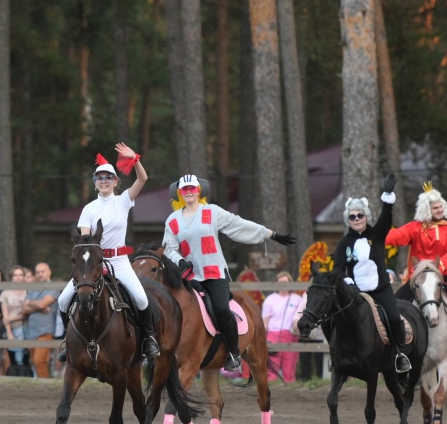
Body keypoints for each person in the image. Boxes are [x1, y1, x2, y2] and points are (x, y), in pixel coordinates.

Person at [164, 173, 296, 371]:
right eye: (185, 189)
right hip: (190, 277)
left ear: (199, 190)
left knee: (222, 308)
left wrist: (271, 234)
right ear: (179, 193)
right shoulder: (173, 220)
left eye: (192, 188)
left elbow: (239, 224)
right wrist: (180, 261)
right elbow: (168, 248)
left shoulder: (211, 212)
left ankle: (233, 353)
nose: (189, 192)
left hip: (214, 273)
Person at [55, 144, 160, 359]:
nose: (104, 180)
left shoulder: (123, 201)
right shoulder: (89, 209)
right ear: (95, 183)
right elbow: (85, 239)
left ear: (115, 181)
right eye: (100, 177)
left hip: (120, 261)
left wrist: (135, 159)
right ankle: (68, 340)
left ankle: (149, 338)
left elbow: (142, 180)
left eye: (108, 177)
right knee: (63, 300)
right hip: (94, 263)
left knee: (141, 298)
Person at [385, 183, 447, 360]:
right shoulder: (414, 227)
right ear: (426, 209)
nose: (440, 210)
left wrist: (437, 267)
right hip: (419, 278)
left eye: (441, 207)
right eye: (435, 208)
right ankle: (394, 344)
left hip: (444, 275)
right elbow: (396, 237)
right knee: (394, 305)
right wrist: (376, 232)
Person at [334, 173, 411, 374]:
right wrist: (348, 283)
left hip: (380, 290)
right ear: (348, 220)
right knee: (336, 317)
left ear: (366, 216)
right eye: (352, 216)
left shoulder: (377, 235)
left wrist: (387, 195)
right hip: (357, 294)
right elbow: (339, 270)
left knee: (395, 318)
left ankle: (400, 354)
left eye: (360, 215)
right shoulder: (343, 244)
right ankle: (339, 357)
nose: (357, 219)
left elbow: (386, 217)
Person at [262, 270, 305, 382]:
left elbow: (300, 318)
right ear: (276, 283)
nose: (283, 284)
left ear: (290, 283)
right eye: (280, 281)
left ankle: (290, 393)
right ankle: (271, 391)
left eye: (285, 281)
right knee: (272, 369)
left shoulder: (297, 299)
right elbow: (265, 321)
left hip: (290, 335)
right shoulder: (270, 299)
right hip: (273, 335)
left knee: (289, 369)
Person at [21, 262, 58, 377]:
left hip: (45, 331)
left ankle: (45, 385)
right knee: (34, 362)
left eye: (43, 271)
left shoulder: (54, 288)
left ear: (49, 272)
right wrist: (38, 307)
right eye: (38, 272)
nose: (40, 274)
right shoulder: (33, 289)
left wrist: (31, 304)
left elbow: (42, 304)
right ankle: (43, 384)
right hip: (31, 331)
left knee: (39, 361)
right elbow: (23, 309)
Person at [0, 266, 29, 374]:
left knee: (26, 357)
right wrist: (9, 333)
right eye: (15, 275)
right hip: (12, 329)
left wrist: (12, 317)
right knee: (15, 358)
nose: (18, 277)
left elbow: (26, 314)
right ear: (11, 277)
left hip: (26, 327)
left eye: (20, 275)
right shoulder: (6, 293)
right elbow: (5, 317)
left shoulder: (27, 292)